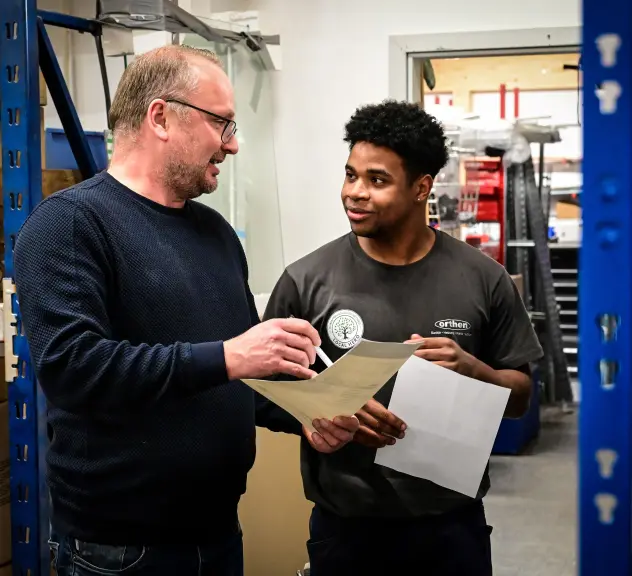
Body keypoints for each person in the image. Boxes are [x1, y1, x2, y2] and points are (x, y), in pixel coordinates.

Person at [13, 44, 359, 576]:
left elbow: (242, 375)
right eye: (222, 124)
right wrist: (228, 356)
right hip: (119, 553)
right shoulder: (69, 226)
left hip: (218, 534)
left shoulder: (215, 234)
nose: (234, 145)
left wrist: (307, 415)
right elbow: (74, 369)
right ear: (161, 117)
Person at [263, 100, 544, 576]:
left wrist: (474, 371)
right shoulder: (306, 280)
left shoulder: (483, 279)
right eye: (350, 175)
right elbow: (264, 398)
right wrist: (324, 415)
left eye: (376, 180)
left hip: (451, 529)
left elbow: (519, 398)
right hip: (346, 529)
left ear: (421, 187)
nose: (355, 193)